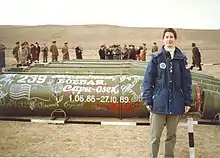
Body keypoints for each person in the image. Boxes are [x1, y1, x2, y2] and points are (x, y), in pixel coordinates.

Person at [141, 28, 193, 158]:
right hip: (158, 103)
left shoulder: (181, 59)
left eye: (171, 37)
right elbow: (148, 80)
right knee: (155, 136)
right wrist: (147, 99)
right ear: (163, 39)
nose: (169, 39)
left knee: (171, 136)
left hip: (176, 103)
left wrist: (187, 101)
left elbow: (186, 82)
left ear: (175, 39)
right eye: (167, 37)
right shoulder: (156, 58)